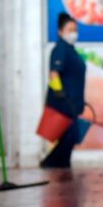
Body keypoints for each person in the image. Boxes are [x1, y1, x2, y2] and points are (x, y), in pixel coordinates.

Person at [40, 13, 87, 169]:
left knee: (70, 137)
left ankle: (62, 165)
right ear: (60, 32)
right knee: (70, 136)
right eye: (70, 29)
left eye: (75, 29)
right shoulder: (60, 49)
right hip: (64, 102)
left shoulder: (70, 50)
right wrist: (60, 92)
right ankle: (50, 163)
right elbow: (54, 73)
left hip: (72, 102)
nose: (74, 33)